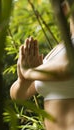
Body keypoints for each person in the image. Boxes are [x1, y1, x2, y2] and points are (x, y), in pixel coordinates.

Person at [10, 1, 74, 130]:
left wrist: (30, 72)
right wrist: (23, 80)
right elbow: (19, 96)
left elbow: (67, 68)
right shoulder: (58, 49)